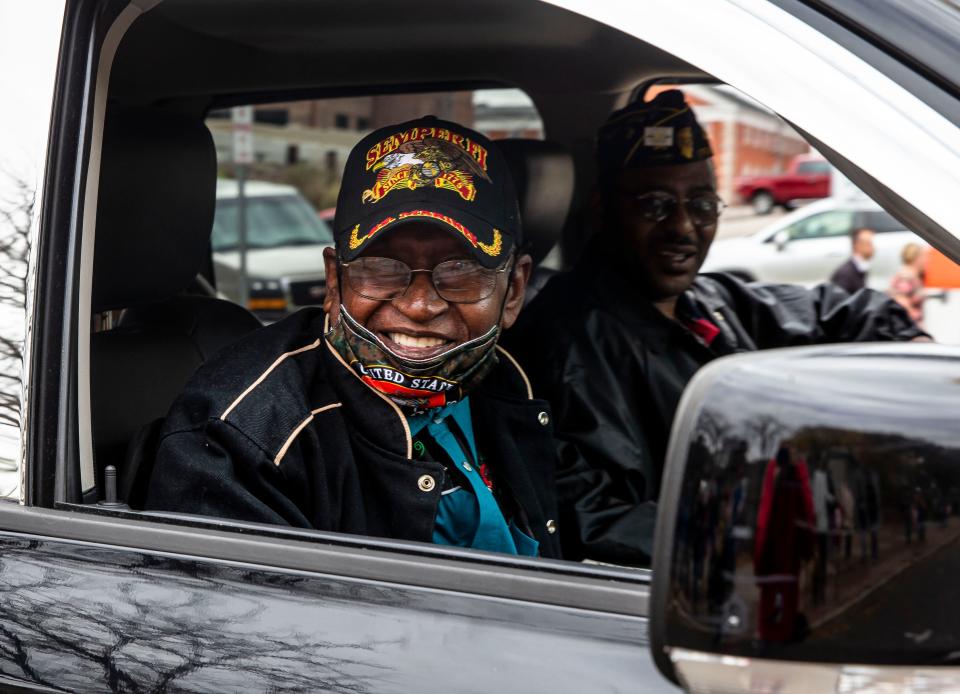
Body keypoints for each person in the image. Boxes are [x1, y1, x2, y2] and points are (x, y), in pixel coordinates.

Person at [505, 89, 926, 566]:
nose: (683, 226)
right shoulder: (570, 346)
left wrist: (915, 347)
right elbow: (596, 519)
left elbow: (842, 313)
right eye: (655, 204)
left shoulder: (709, 299)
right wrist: (776, 545)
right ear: (603, 209)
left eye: (703, 205)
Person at [145, 116, 562, 559]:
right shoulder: (244, 438)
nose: (420, 306)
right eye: (381, 268)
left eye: (461, 271)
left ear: (513, 290)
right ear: (333, 281)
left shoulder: (514, 381)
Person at [889, 242, 926, 327]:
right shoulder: (906, 277)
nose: (926, 260)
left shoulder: (908, 275)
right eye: (924, 257)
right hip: (908, 330)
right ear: (917, 258)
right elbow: (901, 302)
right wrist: (915, 324)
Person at [829, 227, 875, 293]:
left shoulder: (859, 268)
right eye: (869, 243)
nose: (874, 247)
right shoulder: (846, 274)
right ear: (857, 245)